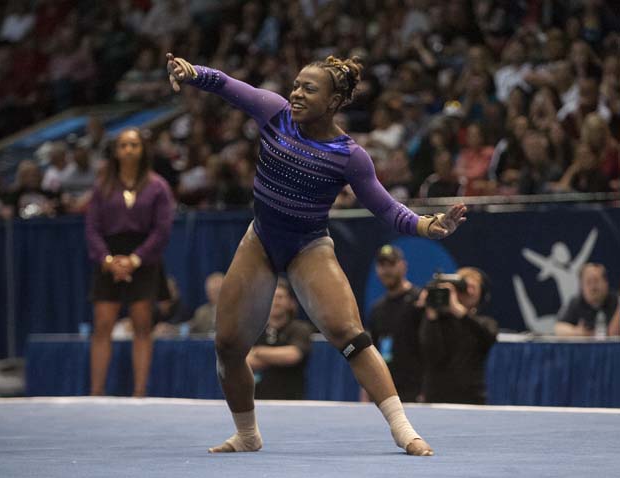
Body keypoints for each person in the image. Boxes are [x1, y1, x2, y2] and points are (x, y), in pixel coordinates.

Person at [166, 53, 467, 456]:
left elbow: (387, 209)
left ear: (333, 102)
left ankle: (403, 430)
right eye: (295, 85)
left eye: (309, 89)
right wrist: (192, 73)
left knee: (351, 337)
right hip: (260, 241)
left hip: (308, 246)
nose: (296, 94)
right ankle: (248, 434)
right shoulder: (274, 113)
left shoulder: (349, 155)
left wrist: (429, 225)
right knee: (228, 347)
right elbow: (225, 84)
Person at [85, 127, 174, 397]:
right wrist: (108, 260)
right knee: (102, 325)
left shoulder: (158, 186)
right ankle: (96, 393)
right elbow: (92, 228)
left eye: (134, 144)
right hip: (109, 258)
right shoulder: (102, 186)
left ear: (142, 150)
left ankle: (139, 394)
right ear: (115, 151)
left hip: (144, 259)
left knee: (142, 326)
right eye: (123, 145)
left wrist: (135, 260)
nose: (128, 149)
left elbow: (162, 229)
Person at [418, 267, 498, 405]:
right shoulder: (438, 321)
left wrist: (458, 310)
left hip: (471, 398)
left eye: (474, 287)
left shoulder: (485, 323)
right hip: (437, 398)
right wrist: (431, 313)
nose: (470, 291)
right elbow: (431, 353)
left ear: (481, 292)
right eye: (465, 286)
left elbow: (489, 337)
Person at [365, 245, 423, 403]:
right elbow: (371, 355)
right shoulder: (377, 310)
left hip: (416, 393)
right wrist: (366, 395)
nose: (386, 270)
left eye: (391, 264)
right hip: (387, 394)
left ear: (403, 266)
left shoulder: (420, 301)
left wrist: (426, 391)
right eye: (381, 265)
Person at [247, 278, 314, 400]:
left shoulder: (300, 329)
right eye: (272, 297)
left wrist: (257, 352)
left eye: (280, 297)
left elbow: (293, 355)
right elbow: (246, 361)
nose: (275, 301)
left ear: (290, 302)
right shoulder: (255, 330)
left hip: (291, 401)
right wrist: (277, 357)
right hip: (258, 401)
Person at [555, 263, 618, 337]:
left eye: (596, 281)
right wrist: (578, 332)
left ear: (606, 283)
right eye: (588, 282)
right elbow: (559, 328)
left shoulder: (616, 301)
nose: (593, 287)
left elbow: (613, 334)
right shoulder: (576, 302)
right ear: (581, 286)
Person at [185, 271, 224, 337]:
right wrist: (170, 329)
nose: (215, 295)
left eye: (218, 291)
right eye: (211, 291)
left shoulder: (235, 311)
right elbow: (189, 328)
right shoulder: (201, 312)